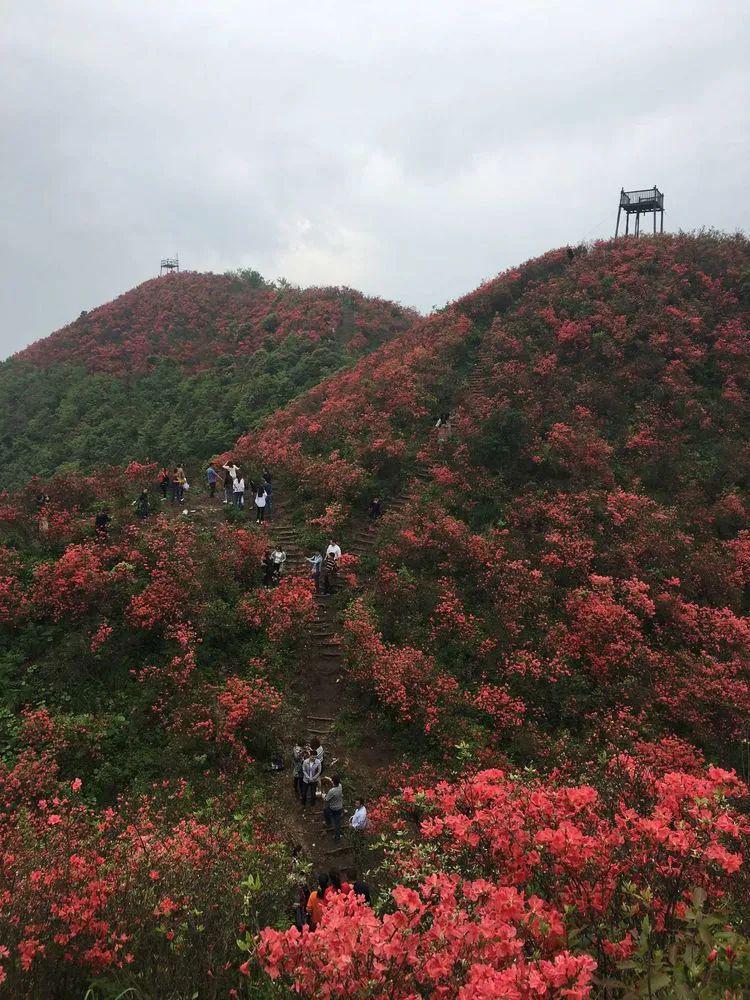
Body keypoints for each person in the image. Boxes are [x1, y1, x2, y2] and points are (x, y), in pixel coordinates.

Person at [323, 774, 344, 842]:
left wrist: (323, 795)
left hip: (334, 809)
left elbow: (326, 799)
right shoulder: (340, 786)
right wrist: (328, 778)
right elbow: (334, 781)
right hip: (340, 807)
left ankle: (337, 838)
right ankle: (329, 824)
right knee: (337, 821)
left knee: (335, 823)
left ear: (333, 781)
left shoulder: (332, 791)